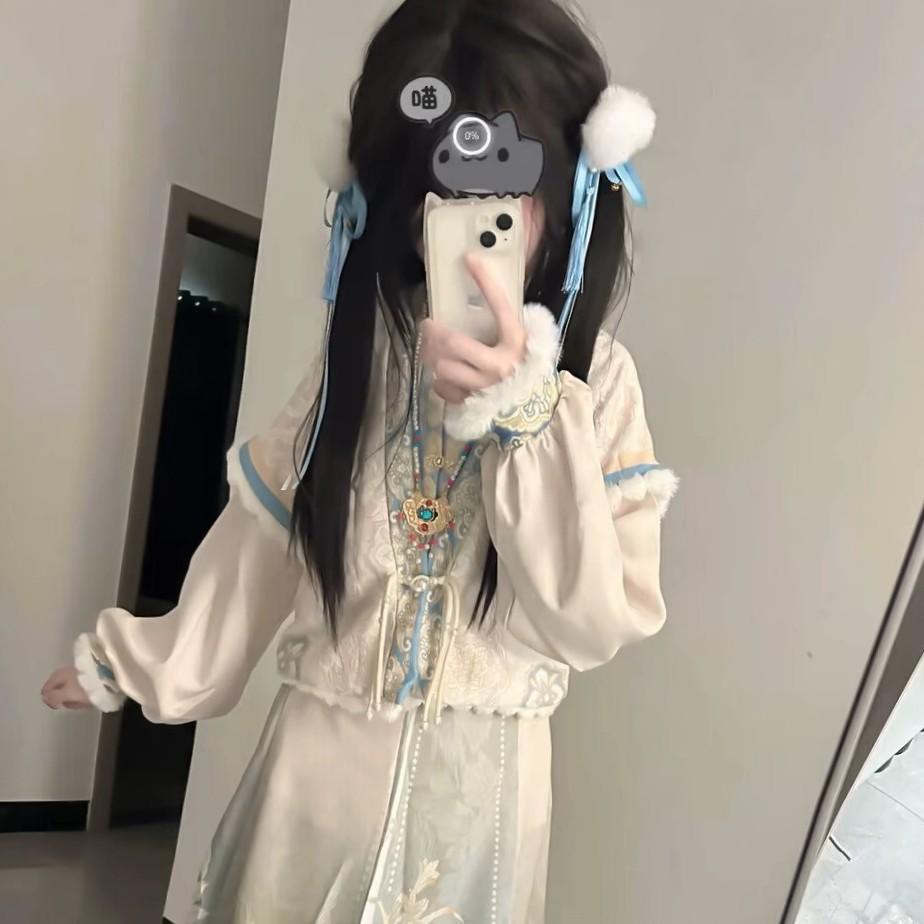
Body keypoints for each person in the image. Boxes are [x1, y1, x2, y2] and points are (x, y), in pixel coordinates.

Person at [41, 1, 677, 920]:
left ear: (574, 185)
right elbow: (263, 544)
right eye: (434, 195)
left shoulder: (598, 388)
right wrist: (137, 665)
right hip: (315, 786)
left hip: (483, 807)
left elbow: (590, 623)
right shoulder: (361, 360)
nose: (466, 222)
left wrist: (527, 418)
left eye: (503, 196)